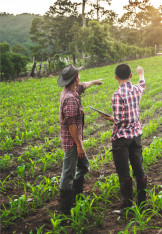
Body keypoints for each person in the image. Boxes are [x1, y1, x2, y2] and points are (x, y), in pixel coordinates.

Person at [100, 64, 147, 214]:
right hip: (136, 135)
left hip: (121, 138)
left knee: (124, 173)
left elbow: (118, 120)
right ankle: (142, 204)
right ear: (130, 76)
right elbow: (142, 83)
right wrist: (141, 73)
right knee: (138, 169)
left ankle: (127, 207)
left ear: (115, 77)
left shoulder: (117, 94)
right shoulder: (136, 89)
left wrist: (108, 118)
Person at [57, 64, 103, 215]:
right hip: (72, 142)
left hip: (75, 141)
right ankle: (66, 210)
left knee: (83, 167)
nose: (80, 79)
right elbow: (71, 125)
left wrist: (95, 81)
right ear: (75, 79)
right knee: (68, 173)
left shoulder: (73, 90)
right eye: (78, 76)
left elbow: (84, 86)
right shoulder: (70, 99)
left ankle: (77, 196)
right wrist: (79, 146)